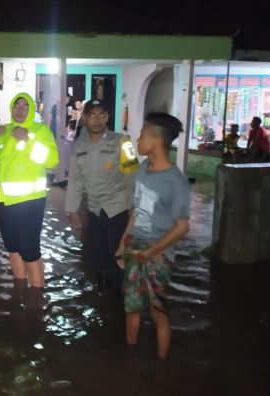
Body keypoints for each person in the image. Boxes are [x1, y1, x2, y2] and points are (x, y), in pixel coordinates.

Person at [115, 112, 191, 359]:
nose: (138, 139)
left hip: (158, 253)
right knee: (132, 307)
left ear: (156, 140)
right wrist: (122, 244)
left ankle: (161, 366)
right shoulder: (143, 169)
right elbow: (136, 211)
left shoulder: (176, 181)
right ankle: (130, 360)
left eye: (142, 134)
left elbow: (181, 228)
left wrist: (149, 253)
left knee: (159, 312)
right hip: (134, 246)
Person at [0, 92, 59, 288]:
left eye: (25, 106)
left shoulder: (40, 131)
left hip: (31, 202)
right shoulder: (5, 130)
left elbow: (52, 161)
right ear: (11, 108)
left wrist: (28, 141)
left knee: (30, 250)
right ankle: (20, 291)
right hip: (6, 202)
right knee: (12, 248)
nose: (21, 110)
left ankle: (37, 301)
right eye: (17, 106)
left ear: (31, 109)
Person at [65, 100, 139, 294]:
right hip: (94, 209)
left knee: (118, 256)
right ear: (85, 118)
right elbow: (75, 179)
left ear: (108, 117)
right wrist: (71, 210)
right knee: (96, 256)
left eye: (102, 114)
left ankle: (117, 298)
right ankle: (102, 295)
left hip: (119, 209)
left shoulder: (124, 142)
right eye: (92, 115)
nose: (98, 120)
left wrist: (135, 209)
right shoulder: (79, 145)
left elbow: (133, 175)